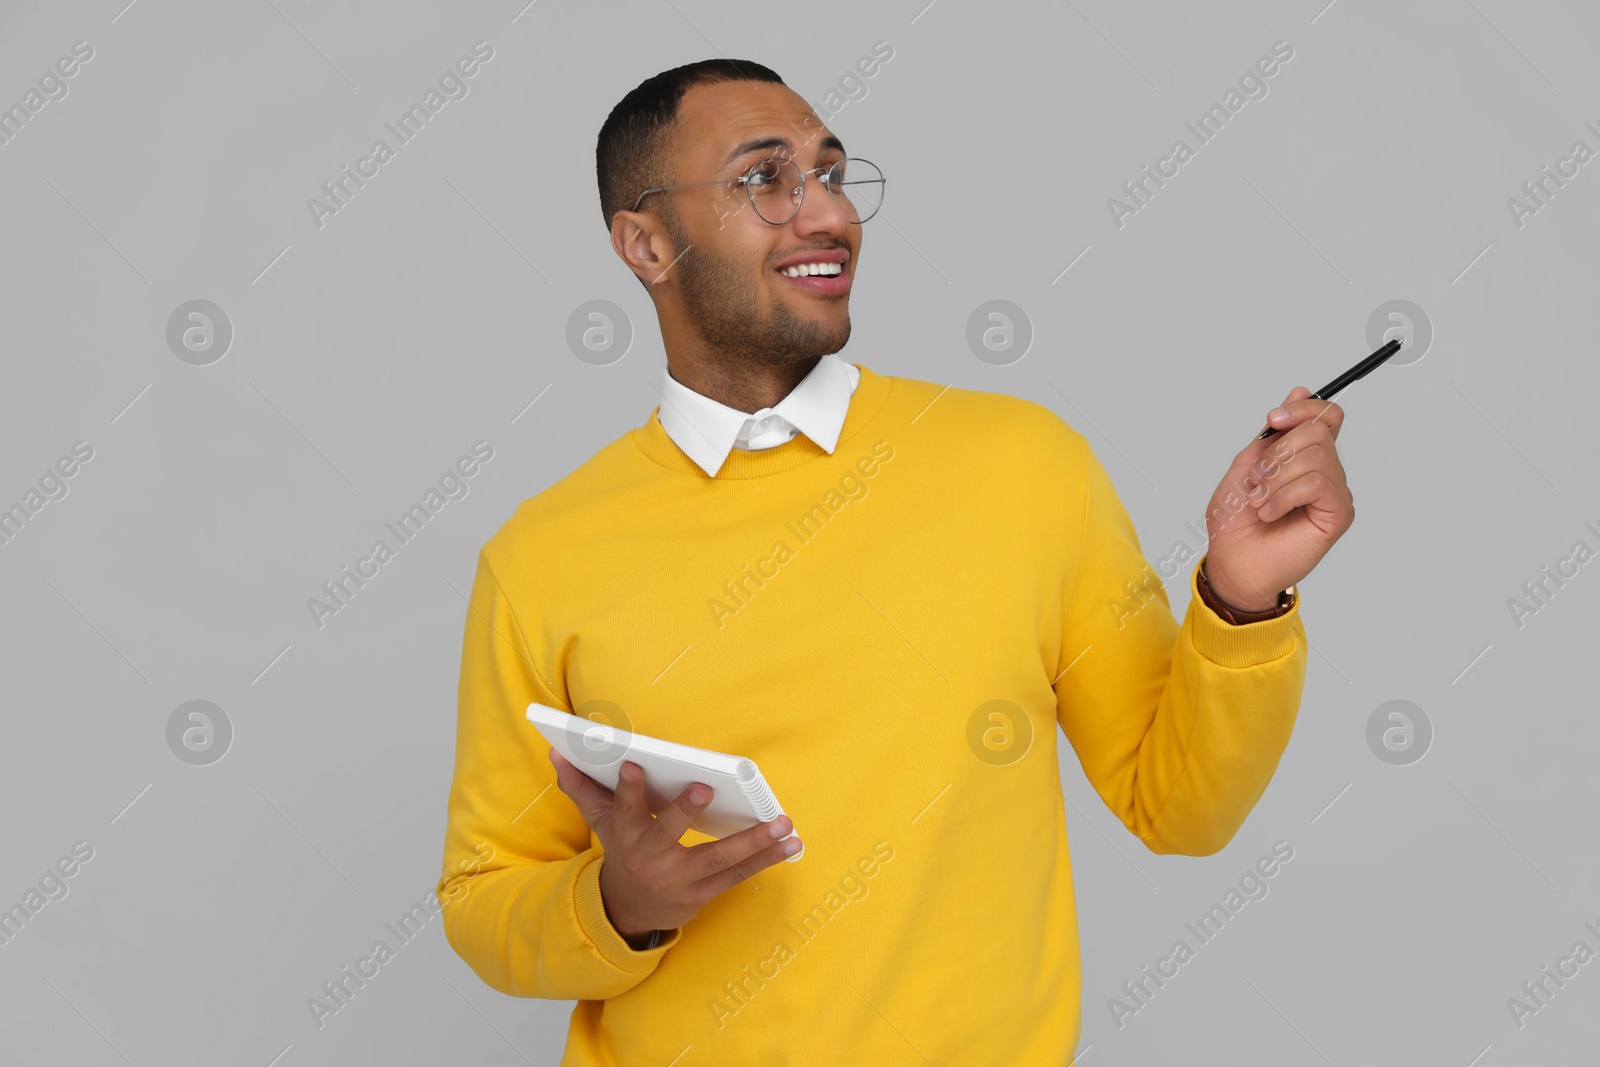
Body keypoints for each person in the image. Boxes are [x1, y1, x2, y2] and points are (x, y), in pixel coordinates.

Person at [436, 57, 1352, 1066]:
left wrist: (1241, 594)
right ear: (645, 242)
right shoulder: (543, 554)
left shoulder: (1023, 464)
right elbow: (484, 895)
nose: (823, 211)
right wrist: (614, 903)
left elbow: (1178, 804)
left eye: (831, 173)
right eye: (763, 179)